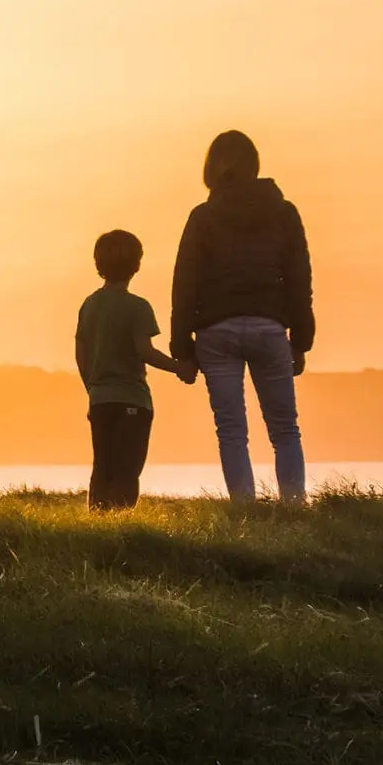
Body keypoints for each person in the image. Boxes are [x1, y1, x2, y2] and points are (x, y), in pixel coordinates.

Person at [170, 130, 315, 503]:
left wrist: (182, 348)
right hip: (269, 326)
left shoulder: (202, 217)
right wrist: (301, 340)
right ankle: (294, 506)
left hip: (216, 330)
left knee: (231, 430)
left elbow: (185, 283)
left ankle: (244, 509)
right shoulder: (284, 213)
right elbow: (299, 278)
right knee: (285, 429)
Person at [75, 229, 192, 510]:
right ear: (137, 264)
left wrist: (92, 388)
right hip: (132, 399)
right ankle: (122, 520)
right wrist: (179, 368)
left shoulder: (89, 305)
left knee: (103, 464)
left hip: (100, 398)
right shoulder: (137, 307)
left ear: (98, 263)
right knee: (128, 467)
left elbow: (81, 354)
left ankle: (98, 518)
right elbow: (145, 351)